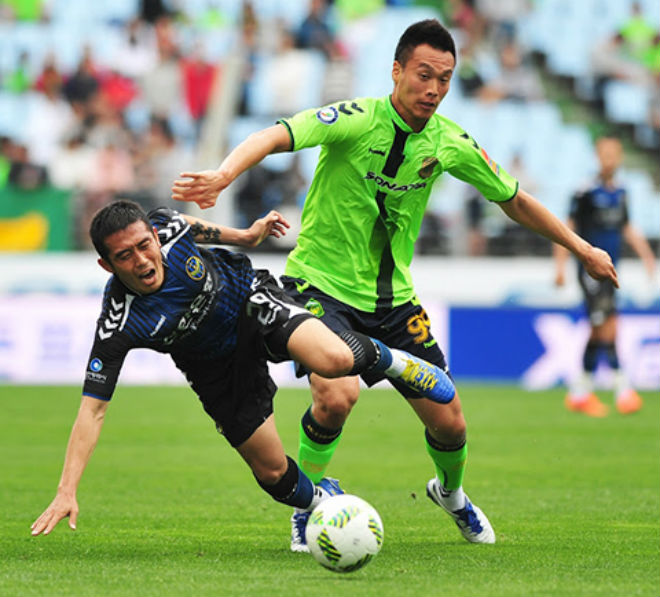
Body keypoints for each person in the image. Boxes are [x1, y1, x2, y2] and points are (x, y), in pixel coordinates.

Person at [171, 19, 619, 549]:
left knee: (450, 422)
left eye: (445, 80)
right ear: (397, 71)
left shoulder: (449, 141)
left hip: (394, 304)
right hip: (319, 288)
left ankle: (450, 495)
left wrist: (581, 247)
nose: (433, 89)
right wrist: (224, 175)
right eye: (424, 75)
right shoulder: (357, 119)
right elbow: (276, 134)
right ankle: (307, 504)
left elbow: (514, 200)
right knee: (336, 396)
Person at [31, 199, 455, 537]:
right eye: (125, 256)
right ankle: (323, 506)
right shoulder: (118, 322)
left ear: (154, 236)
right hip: (213, 366)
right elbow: (93, 410)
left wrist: (245, 236)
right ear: (107, 265)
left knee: (338, 360)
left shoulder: (167, 228)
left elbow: (192, 226)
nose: (142, 261)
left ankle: (399, 363)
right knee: (272, 474)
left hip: (249, 301)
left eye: (145, 245)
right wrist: (66, 490)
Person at [555, 136, 656, 417]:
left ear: (620, 157)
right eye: (605, 154)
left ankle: (580, 393)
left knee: (603, 328)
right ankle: (622, 390)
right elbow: (566, 228)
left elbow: (626, 227)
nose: (609, 159)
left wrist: (647, 256)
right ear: (597, 157)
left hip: (611, 272)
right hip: (590, 272)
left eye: (614, 154)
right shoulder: (585, 192)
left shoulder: (622, 192)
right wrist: (560, 267)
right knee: (606, 327)